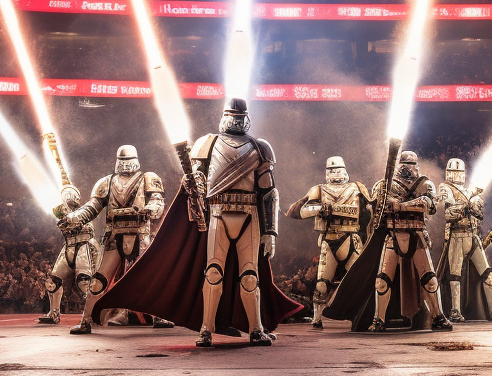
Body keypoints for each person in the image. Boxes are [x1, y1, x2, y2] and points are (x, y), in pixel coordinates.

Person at [88, 97, 300, 347]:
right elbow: (197, 181)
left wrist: (271, 232)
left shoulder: (260, 147)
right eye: (233, 115)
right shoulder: (208, 144)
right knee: (213, 272)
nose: (235, 119)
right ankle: (206, 328)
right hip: (217, 212)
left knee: (249, 275)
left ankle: (256, 328)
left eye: (238, 115)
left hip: (247, 214)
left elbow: (268, 193)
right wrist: (192, 188)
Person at [326, 150, 452, 332]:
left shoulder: (425, 184)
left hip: (417, 235)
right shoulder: (385, 184)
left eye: (411, 165)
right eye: (405, 164)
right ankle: (379, 319)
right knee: (382, 281)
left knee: (430, 280)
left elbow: (429, 207)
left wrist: (401, 205)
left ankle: (438, 316)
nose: (407, 168)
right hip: (393, 235)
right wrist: (396, 204)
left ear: (416, 166)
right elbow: (378, 209)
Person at [58, 145, 165, 335]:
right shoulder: (106, 182)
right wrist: (74, 218)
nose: (125, 165)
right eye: (122, 161)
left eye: (128, 161)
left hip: (140, 234)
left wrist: (150, 209)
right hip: (114, 236)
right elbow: (93, 207)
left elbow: (157, 201)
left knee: (149, 275)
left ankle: (159, 316)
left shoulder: (148, 178)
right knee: (99, 280)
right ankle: (86, 320)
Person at [286, 156, 372, 329]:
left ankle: (362, 315)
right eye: (331, 170)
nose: (335, 172)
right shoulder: (318, 190)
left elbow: (370, 213)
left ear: (345, 170)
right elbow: (294, 211)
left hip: (352, 238)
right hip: (330, 239)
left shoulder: (357, 188)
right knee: (322, 283)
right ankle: (317, 318)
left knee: (359, 280)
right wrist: (319, 209)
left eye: (337, 169)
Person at [436, 157, 492, 323]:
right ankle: (455, 311)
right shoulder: (445, 188)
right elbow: (449, 214)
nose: (457, 175)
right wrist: (467, 206)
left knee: (489, 275)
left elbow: (479, 214)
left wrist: (474, 206)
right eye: (455, 172)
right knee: (455, 276)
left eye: (459, 172)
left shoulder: (470, 192)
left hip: (473, 236)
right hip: (456, 235)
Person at [36, 184, 101, 326]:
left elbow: (87, 227)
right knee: (52, 282)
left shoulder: (86, 211)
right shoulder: (61, 212)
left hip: (84, 246)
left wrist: (71, 219)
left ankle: (92, 314)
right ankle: (54, 313)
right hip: (69, 247)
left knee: (85, 282)